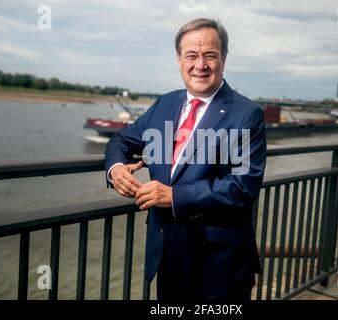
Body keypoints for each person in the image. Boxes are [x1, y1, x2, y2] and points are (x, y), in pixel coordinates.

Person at [104, 18, 267, 301]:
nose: (200, 65)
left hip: (219, 264)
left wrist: (174, 196)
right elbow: (121, 140)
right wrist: (116, 169)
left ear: (224, 59)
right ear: (179, 60)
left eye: (210, 55)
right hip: (168, 255)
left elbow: (243, 186)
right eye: (191, 55)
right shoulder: (164, 104)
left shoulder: (246, 114)